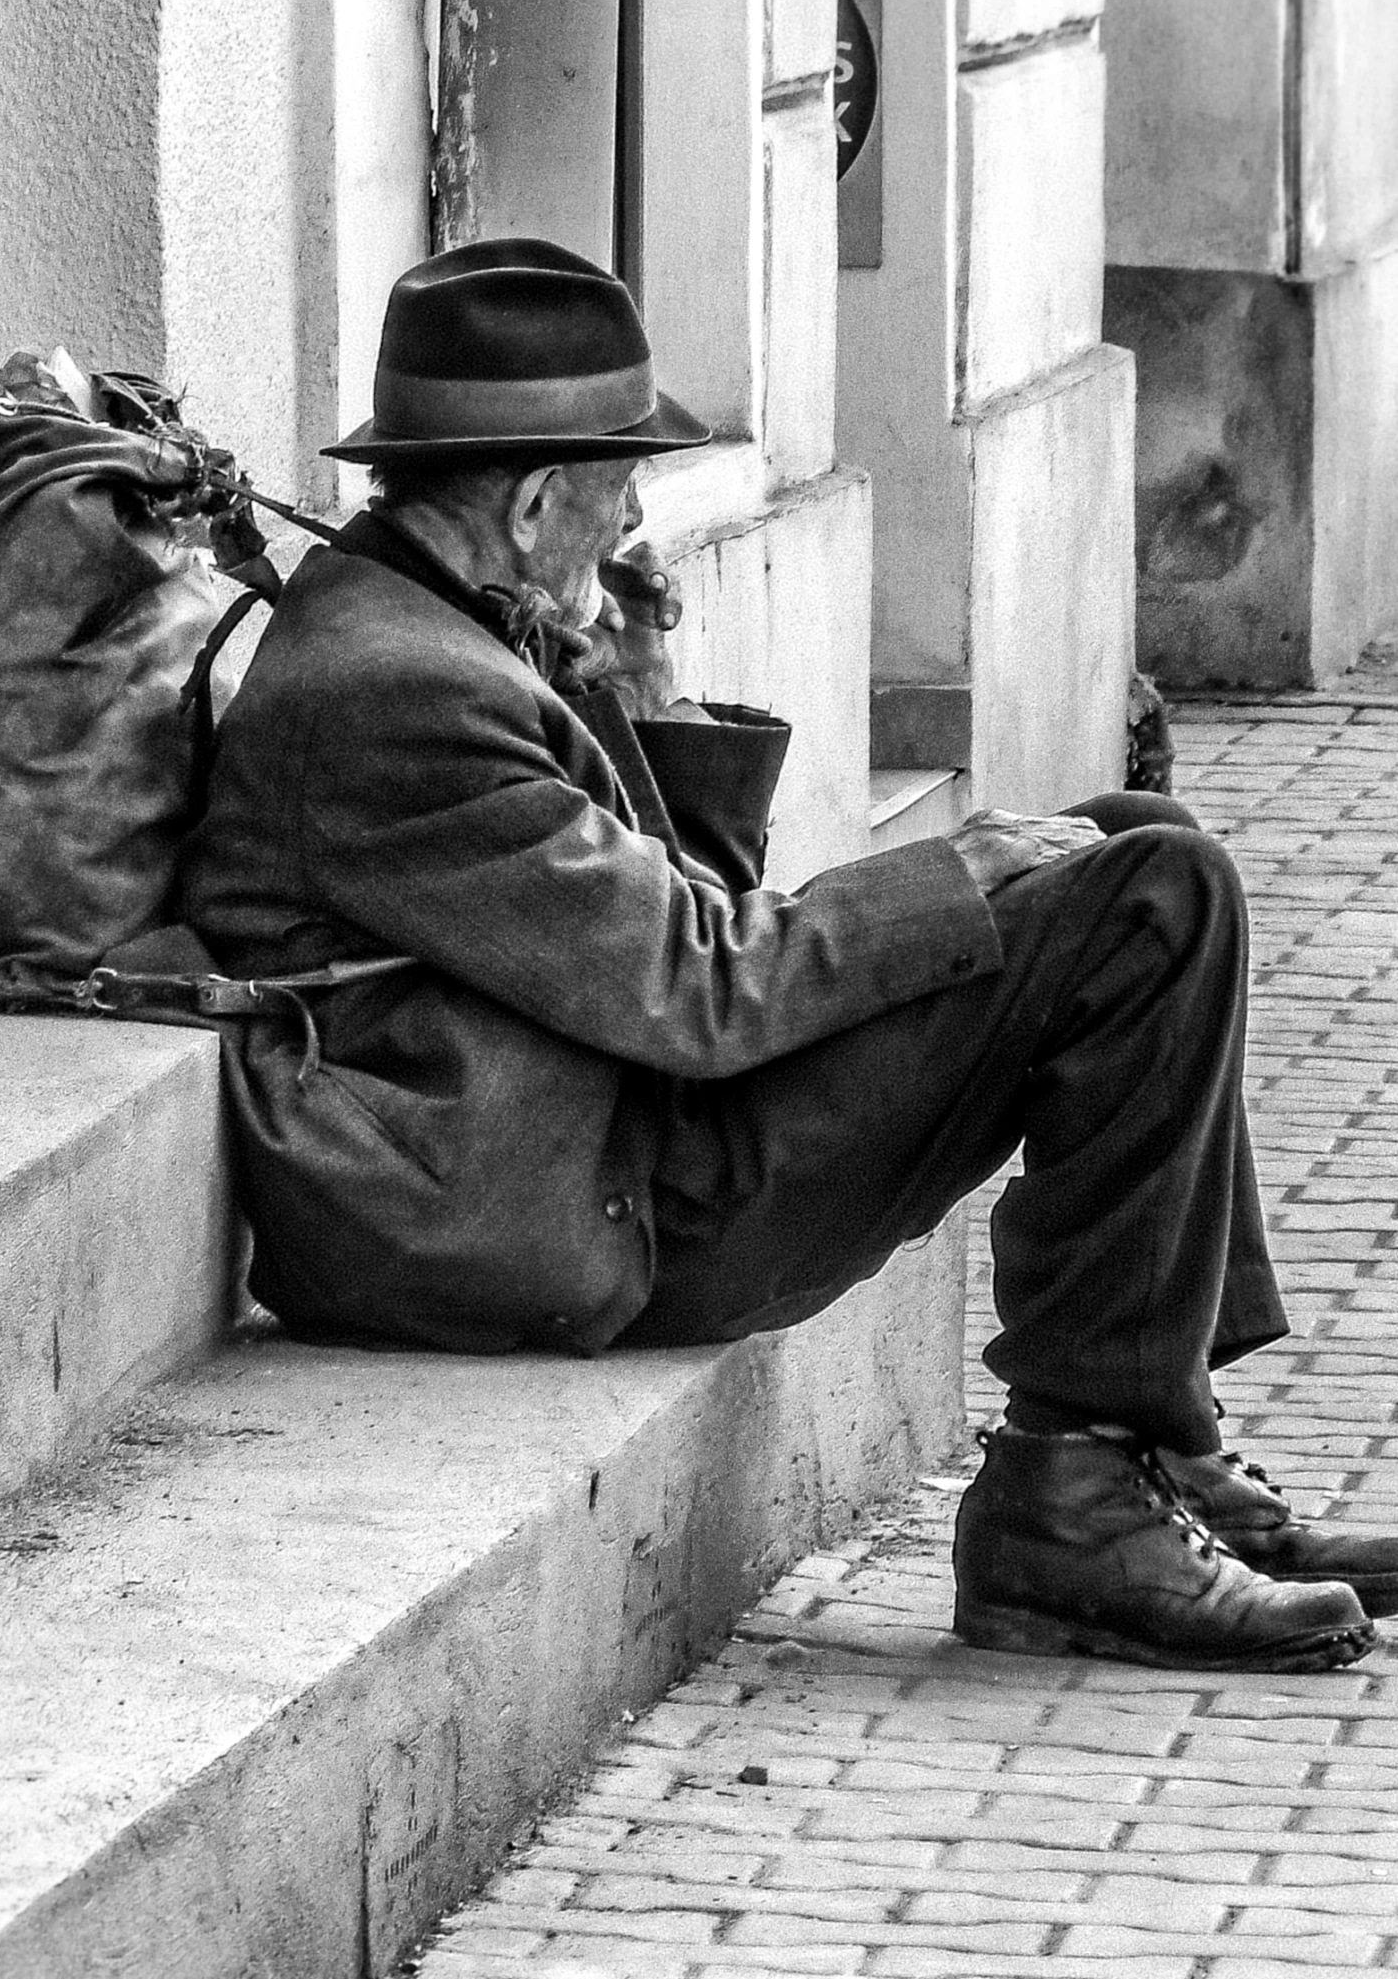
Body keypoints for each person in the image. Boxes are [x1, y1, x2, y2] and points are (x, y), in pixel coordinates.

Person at [184, 238, 1398, 1673]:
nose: (632, 517)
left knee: (1137, 836)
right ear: (529, 504)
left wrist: (645, 704)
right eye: (615, 488)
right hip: (575, 1209)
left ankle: (1149, 1446)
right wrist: (947, 874)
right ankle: (1076, 1499)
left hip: (611, 1133)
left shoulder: (442, 624)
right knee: (1152, 899)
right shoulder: (399, 694)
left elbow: (666, 925)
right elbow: (700, 992)